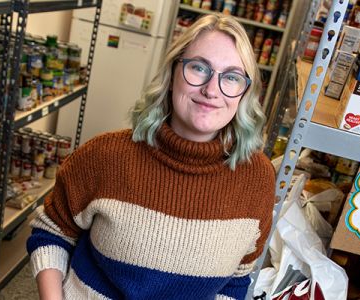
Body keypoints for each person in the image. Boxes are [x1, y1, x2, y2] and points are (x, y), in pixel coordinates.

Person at [26, 14, 276, 300]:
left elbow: (236, 281)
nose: (211, 90)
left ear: (244, 93)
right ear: (172, 76)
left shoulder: (258, 179)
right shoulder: (106, 155)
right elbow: (52, 232)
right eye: (198, 68)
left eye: (231, 77)